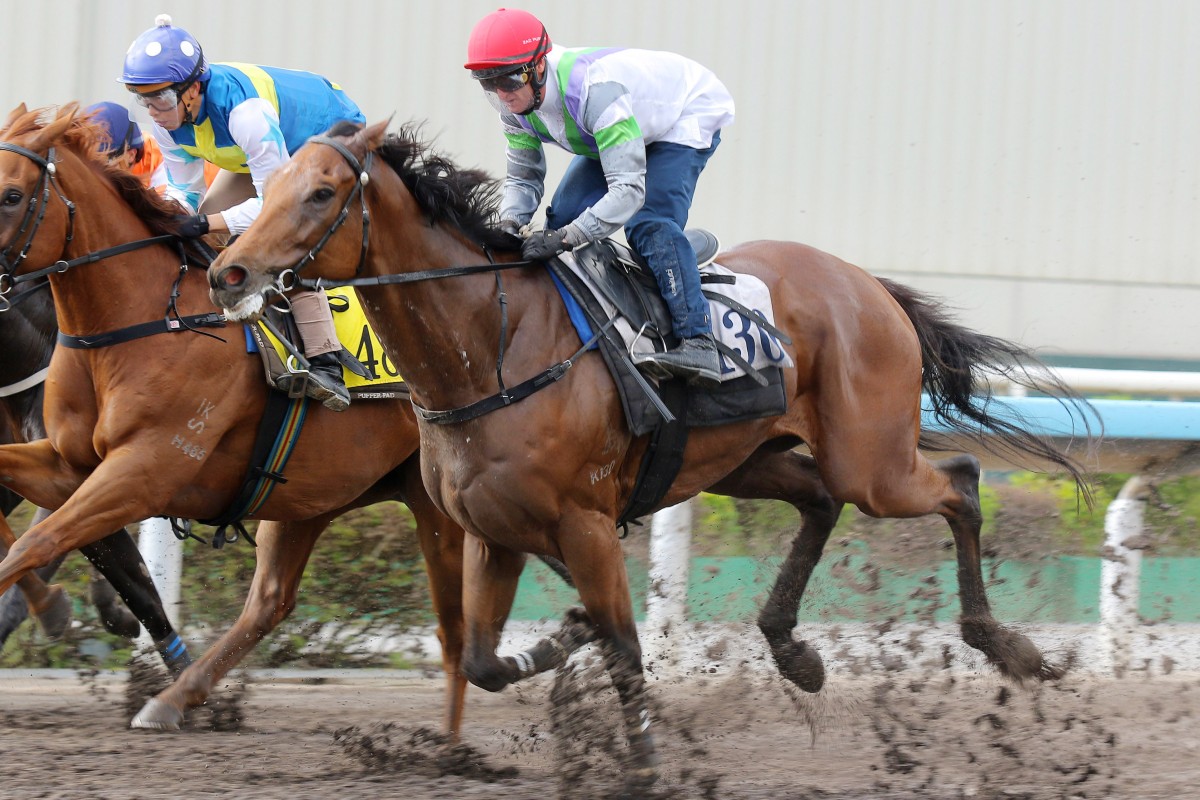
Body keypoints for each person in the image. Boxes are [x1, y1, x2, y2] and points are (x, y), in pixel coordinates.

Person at [464, 8, 735, 384]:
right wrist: (510, 223)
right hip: (622, 127)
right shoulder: (513, 108)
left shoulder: (593, 91)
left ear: (538, 67)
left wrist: (567, 238)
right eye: (489, 83)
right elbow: (523, 179)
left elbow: (628, 191)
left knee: (647, 224)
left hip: (684, 116)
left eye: (508, 80)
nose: (502, 95)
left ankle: (699, 341)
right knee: (560, 220)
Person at [119, 15, 366, 411]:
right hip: (262, 154)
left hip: (326, 136)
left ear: (192, 89)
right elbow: (185, 193)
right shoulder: (168, 122)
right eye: (142, 99)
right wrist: (171, 220)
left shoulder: (246, 114)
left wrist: (206, 222)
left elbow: (274, 209)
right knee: (202, 230)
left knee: (278, 239)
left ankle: (325, 359)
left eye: (160, 99)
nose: (153, 111)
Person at [85, 101, 220, 188]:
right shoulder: (130, 151)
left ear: (130, 155)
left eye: (101, 164)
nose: (93, 174)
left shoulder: (167, 171)